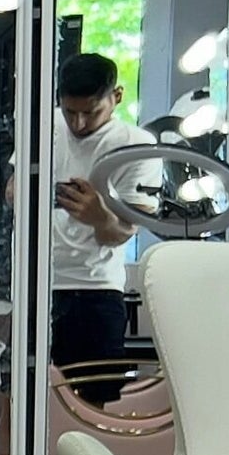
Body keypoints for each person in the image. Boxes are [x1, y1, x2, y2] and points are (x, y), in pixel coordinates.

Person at [46, 51, 152, 402]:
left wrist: (100, 216)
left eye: (90, 112)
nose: (78, 123)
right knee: (16, 402)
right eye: (69, 111)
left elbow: (122, 233)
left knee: (93, 408)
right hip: (37, 288)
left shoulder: (136, 146)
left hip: (96, 290)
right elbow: (11, 191)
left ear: (116, 97)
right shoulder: (44, 129)